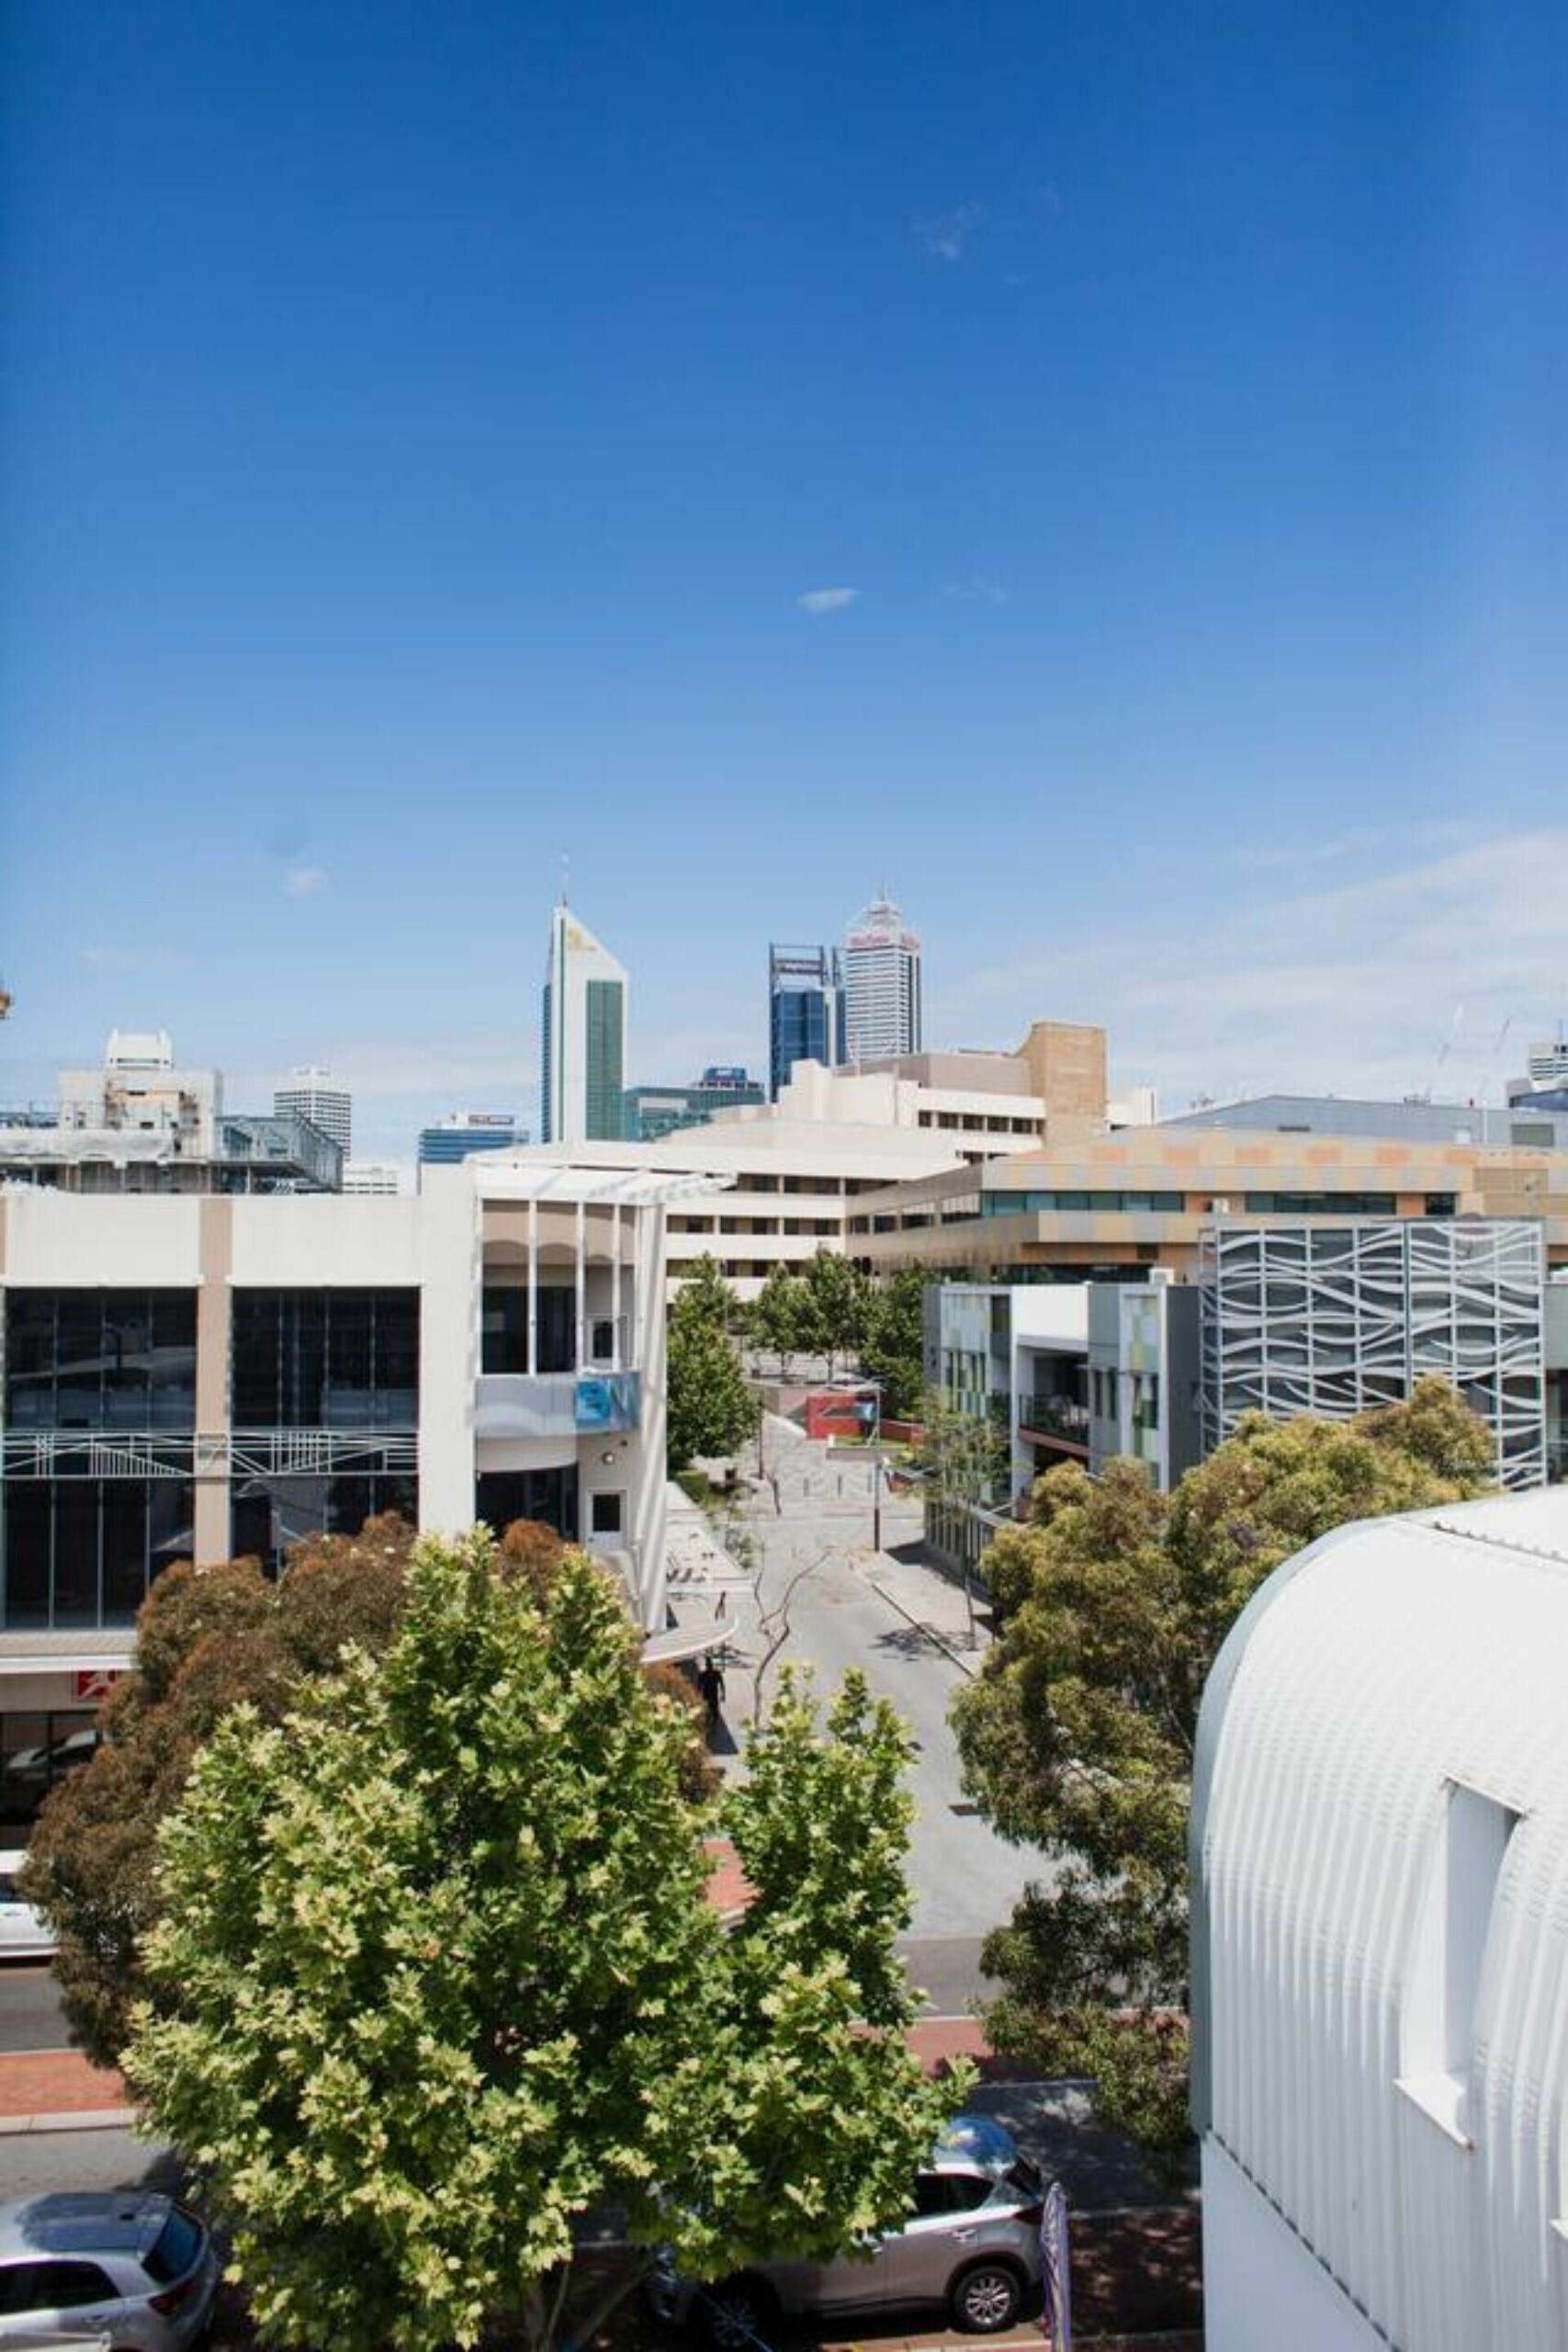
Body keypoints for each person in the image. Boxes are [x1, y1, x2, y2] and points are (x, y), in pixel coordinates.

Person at [697, 1652, 726, 1733]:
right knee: (707, 1711)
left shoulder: (717, 1674)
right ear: (706, 1665)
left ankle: (714, 1726)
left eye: (711, 1665)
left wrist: (723, 1694)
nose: (710, 1666)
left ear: (712, 1665)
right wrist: (699, 1694)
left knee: (715, 1711)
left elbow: (722, 1684)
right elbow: (699, 1686)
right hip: (706, 1695)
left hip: (714, 1695)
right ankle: (707, 1725)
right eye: (708, 1665)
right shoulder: (703, 1675)